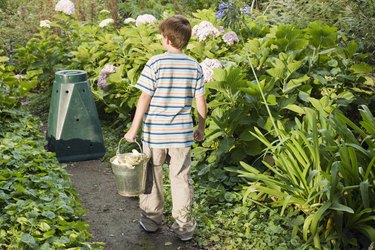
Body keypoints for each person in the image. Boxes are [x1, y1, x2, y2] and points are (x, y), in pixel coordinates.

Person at [124, 15, 207, 241]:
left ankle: (151, 221)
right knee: (180, 179)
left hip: (155, 134)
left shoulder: (156, 62)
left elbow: (144, 99)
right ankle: (184, 227)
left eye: (162, 35)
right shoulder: (194, 66)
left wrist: (133, 129)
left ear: (167, 39)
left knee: (152, 175)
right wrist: (200, 127)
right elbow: (201, 102)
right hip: (181, 135)